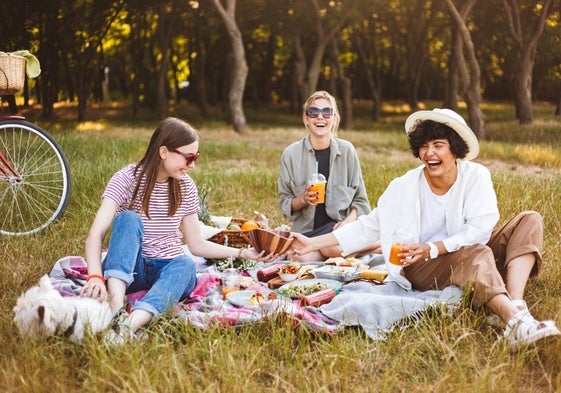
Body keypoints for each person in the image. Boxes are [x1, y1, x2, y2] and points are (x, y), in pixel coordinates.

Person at [290, 108, 560, 349]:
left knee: (530, 219)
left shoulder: (476, 177)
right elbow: (368, 227)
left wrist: (434, 248)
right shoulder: (403, 187)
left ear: (455, 148)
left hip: (460, 253)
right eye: (424, 146)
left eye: (438, 145)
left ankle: (515, 306)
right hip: (419, 266)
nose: (429, 153)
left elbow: (481, 228)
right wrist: (312, 244)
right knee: (476, 253)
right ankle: (515, 321)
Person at [80, 117, 275, 344]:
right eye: (189, 157)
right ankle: (115, 309)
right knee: (127, 219)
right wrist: (94, 276)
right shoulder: (126, 179)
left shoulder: (185, 186)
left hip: (167, 269)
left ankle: (128, 325)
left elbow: (196, 244)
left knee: (185, 264)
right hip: (130, 270)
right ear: (164, 152)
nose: (193, 165)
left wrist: (241, 253)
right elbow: (96, 234)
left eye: (196, 157)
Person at [278, 90, 371, 261]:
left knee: (333, 247)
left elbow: (361, 201)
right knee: (297, 257)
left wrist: (347, 223)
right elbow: (285, 203)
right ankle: (359, 248)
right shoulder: (291, 154)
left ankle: (375, 246)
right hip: (307, 232)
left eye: (327, 112)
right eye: (313, 112)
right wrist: (304, 199)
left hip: (338, 230)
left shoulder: (347, 151)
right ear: (306, 118)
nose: (320, 117)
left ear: (335, 118)